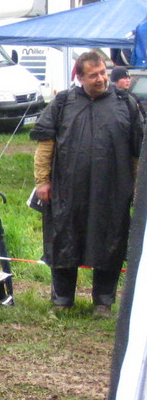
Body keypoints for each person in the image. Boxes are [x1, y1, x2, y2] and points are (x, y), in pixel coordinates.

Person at [32, 49, 142, 316]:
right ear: (80, 77)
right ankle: (62, 301)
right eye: (93, 75)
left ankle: (103, 302)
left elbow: (137, 150)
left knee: (111, 241)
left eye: (103, 72)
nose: (101, 79)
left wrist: (138, 188)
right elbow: (45, 143)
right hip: (68, 189)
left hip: (112, 190)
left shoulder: (125, 103)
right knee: (64, 240)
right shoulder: (63, 103)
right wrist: (42, 181)